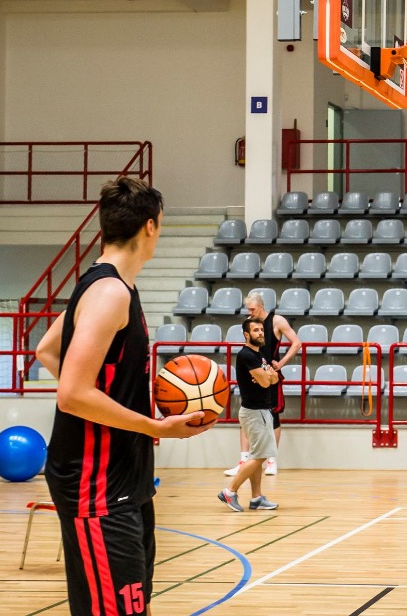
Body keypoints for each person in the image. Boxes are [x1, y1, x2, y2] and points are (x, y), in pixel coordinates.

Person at [36, 178, 213, 616]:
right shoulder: (108, 293)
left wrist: (109, 397)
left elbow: (47, 351)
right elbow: (72, 394)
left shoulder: (112, 286)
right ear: (150, 227)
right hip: (95, 484)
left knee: (135, 604)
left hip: (124, 479)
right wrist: (155, 426)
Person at [223, 292, 301, 477]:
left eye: (252, 309)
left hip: (271, 373)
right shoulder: (249, 323)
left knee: (273, 415)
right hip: (253, 372)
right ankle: (243, 460)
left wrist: (280, 364)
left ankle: (271, 461)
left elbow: (296, 343)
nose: (249, 312)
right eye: (248, 309)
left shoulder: (277, 321)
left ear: (261, 306)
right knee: (247, 414)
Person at [218, 317, 281, 512]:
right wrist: (269, 376)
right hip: (255, 412)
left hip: (259, 411)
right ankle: (230, 491)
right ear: (247, 334)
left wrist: (270, 376)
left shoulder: (259, 355)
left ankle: (256, 498)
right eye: (256, 330)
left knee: (258, 455)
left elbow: (275, 378)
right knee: (260, 456)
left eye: (262, 330)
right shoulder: (247, 356)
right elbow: (265, 382)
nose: (261, 333)